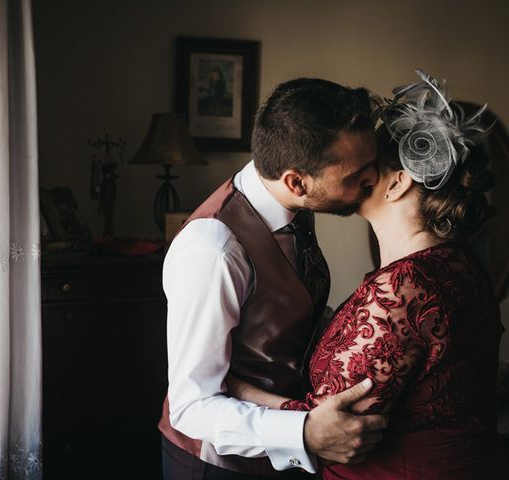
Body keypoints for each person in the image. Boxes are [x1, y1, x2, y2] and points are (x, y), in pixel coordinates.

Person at [227, 70, 509, 479]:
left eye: (365, 164)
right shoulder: (456, 262)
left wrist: (235, 387)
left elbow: (332, 427)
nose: (352, 172)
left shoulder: (399, 291)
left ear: (397, 182)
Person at [158, 77, 388, 479]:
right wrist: (304, 431)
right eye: (356, 174)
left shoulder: (294, 203)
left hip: (284, 451)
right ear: (296, 181)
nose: (372, 179)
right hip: (218, 465)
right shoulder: (214, 250)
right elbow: (192, 406)